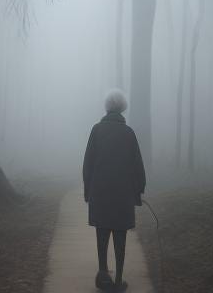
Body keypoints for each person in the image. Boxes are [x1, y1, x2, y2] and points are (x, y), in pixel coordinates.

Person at [82, 89, 146, 292]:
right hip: (123, 196)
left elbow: (87, 165)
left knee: (102, 236)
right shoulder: (129, 133)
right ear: (122, 109)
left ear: (107, 108)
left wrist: (88, 191)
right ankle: (118, 280)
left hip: (100, 194)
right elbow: (138, 167)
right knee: (120, 238)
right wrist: (138, 191)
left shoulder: (96, 130)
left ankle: (103, 276)